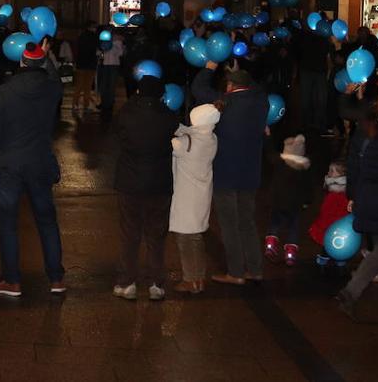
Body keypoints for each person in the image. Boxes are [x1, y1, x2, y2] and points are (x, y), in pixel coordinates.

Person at [0, 42, 66, 298]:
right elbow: (55, 77)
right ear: (41, 64)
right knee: (47, 222)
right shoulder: (51, 90)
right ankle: (56, 278)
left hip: (10, 164)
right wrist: (46, 55)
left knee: (8, 223)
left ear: (20, 63)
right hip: (40, 162)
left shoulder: (6, 92)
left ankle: (12, 280)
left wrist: (1, 147)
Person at [191, 62, 269, 285]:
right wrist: (237, 73)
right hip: (251, 173)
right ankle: (255, 269)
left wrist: (209, 67)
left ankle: (235, 272)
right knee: (247, 222)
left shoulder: (224, 103)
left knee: (229, 225)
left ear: (230, 86)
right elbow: (257, 87)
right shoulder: (262, 103)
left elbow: (198, 88)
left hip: (226, 173)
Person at [111, 75, 177, 301]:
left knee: (130, 233)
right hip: (159, 184)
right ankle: (156, 284)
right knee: (156, 235)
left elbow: (116, 131)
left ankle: (127, 283)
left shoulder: (126, 114)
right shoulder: (168, 117)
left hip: (130, 182)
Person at [337, 88, 378, 323]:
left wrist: (355, 195)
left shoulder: (372, 131)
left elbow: (358, 166)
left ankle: (351, 292)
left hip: (374, 201)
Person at [170, 103, 219, 294]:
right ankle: (199, 278)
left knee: (184, 239)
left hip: (186, 197)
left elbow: (173, 142)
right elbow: (190, 132)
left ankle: (190, 280)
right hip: (201, 195)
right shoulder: (211, 138)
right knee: (196, 237)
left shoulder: (186, 143)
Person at [265, 134, 312, 266]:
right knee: (293, 227)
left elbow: (270, 153)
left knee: (274, 223)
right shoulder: (304, 169)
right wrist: (307, 201)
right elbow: (308, 187)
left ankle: (270, 244)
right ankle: (290, 254)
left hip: (277, 201)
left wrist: (268, 137)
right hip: (295, 205)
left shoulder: (279, 162)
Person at [309, 161, 351, 271]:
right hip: (336, 222)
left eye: (332, 171)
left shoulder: (337, 192)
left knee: (328, 242)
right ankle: (339, 261)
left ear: (341, 174)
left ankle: (325, 260)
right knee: (337, 242)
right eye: (329, 170)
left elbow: (328, 208)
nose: (329, 173)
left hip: (333, 221)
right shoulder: (335, 188)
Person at [96, 31, 124, 123]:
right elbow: (98, 52)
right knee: (103, 85)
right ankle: (104, 103)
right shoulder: (103, 40)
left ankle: (110, 103)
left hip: (114, 65)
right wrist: (101, 50)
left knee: (111, 85)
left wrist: (112, 45)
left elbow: (120, 53)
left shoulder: (117, 41)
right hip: (104, 65)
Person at [73, 26, 99, 113]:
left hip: (81, 65)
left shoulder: (81, 37)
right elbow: (96, 50)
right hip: (90, 65)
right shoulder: (94, 38)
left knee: (79, 86)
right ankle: (86, 105)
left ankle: (75, 104)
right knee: (87, 87)